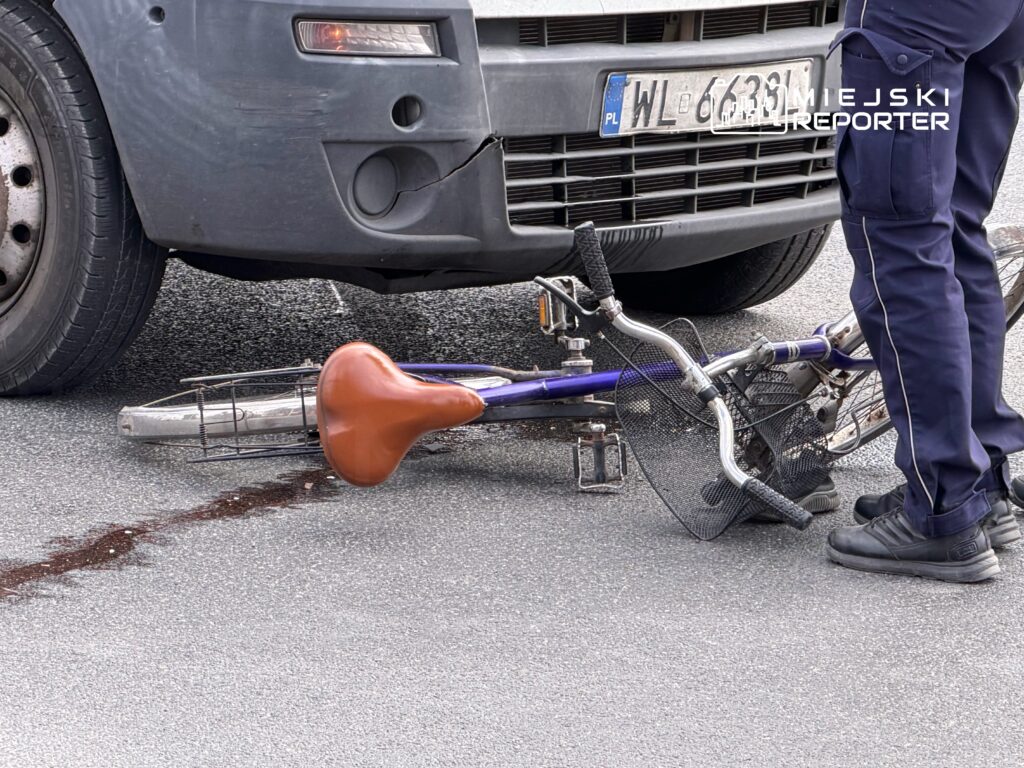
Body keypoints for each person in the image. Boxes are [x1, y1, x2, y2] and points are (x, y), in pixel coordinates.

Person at [825, 0, 1024, 582]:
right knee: (954, 227)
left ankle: (943, 509)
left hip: (917, 17)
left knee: (901, 238)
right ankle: (980, 485)